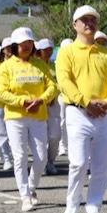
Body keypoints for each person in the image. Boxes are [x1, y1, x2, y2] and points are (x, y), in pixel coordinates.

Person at [57, 5, 107, 213]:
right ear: (74, 25)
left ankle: (93, 209)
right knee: (77, 163)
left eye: (92, 20)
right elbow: (64, 81)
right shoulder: (66, 52)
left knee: (101, 165)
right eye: (83, 20)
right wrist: (85, 101)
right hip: (78, 112)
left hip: (103, 113)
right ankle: (72, 205)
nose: (89, 24)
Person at [0, 27, 58, 212]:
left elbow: (53, 87)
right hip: (15, 117)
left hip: (38, 115)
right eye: (23, 44)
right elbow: (0, 92)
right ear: (15, 46)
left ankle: (31, 187)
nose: (27, 47)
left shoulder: (40, 65)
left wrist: (41, 100)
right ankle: (25, 196)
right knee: (21, 156)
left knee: (41, 157)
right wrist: (22, 102)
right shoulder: (6, 67)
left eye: (30, 43)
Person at [35, 38, 61, 175]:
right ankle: (42, 163)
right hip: (38, 104)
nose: (49, 52)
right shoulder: (35, 65)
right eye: (46, 50)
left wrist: (51, 97)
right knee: (41, 136)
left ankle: (51, 160)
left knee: (55, 135)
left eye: (50, 49)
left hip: (53, 104)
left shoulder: (55, 66)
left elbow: (60, 83)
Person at [0, 37, 14, 171]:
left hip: (16, 105)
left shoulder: (20, 63)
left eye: (12, 46)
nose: (10, 49)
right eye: (7, 47)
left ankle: (15, 157)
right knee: (1, 133)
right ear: (3, 50)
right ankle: (6, 158)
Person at [57, 38, 73, 157]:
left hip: (75, 96)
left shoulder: (78, 60)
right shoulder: (59, 62)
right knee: (62, 121)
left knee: (72, 122)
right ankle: (62, 145)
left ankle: (71, 145)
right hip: (62, 96)